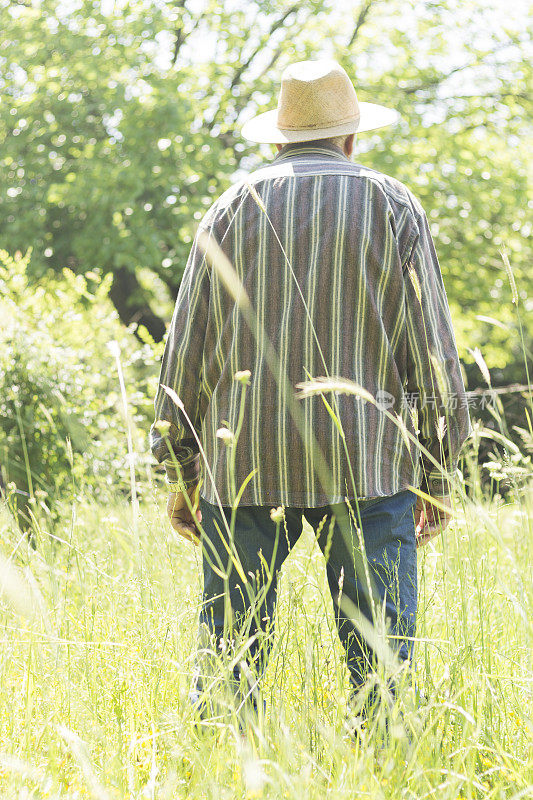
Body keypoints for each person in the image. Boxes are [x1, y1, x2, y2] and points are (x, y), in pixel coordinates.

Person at [149, 59, 473, 732]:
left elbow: (186, 352)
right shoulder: (392, 203)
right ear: (351, 138)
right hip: (370, 466)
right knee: (381, 672)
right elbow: (433, 355)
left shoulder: (231, 206)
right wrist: (437, 473)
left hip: (244, 468)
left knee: (225, 664)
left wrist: (183, 472)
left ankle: (218, 775)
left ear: (277, 139)